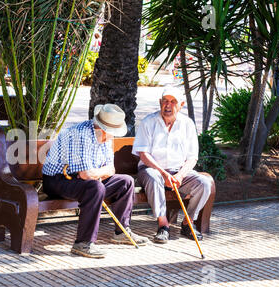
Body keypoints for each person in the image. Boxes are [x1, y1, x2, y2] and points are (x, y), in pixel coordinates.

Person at [42, 104, 149, 258]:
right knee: (95, 188)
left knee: (126, 182)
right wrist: (95, 173)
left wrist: (96, 173)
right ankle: (83, 243)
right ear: (98, 125)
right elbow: (86, 174)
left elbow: (110, 169)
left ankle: (122, 232)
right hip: (58, 180)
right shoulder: (79, 134)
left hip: (87, 180)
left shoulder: (107, 136)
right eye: (110, 132)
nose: (111, 136)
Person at [132, 87, 213, 244]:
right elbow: (143, 154)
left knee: (204, 183)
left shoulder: (187, 124)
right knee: (154, 178)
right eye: (165, 101)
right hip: (151, 170)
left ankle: (187, 223)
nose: (168, 105)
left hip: (178, 172)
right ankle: (163, 226)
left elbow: (192, 157)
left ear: (181, 104)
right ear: (160, 103)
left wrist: (180, 175)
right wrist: (163, 173)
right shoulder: (148, 122)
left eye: (173, 101)